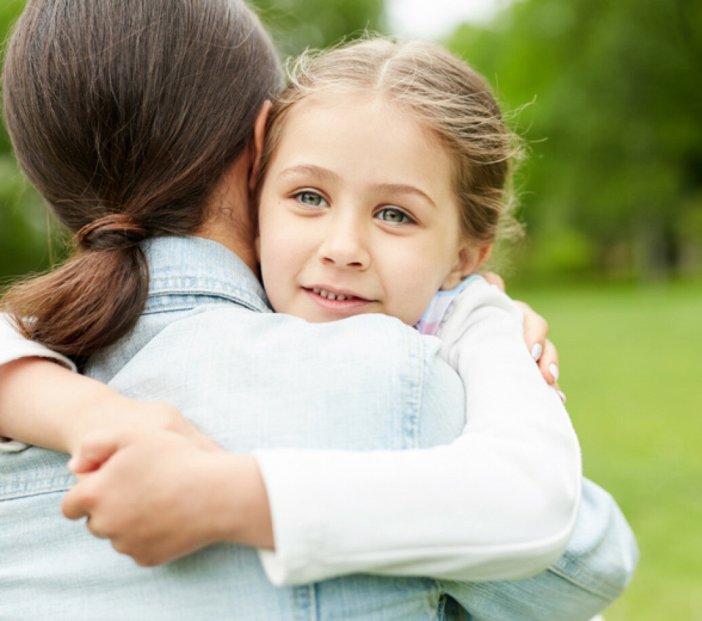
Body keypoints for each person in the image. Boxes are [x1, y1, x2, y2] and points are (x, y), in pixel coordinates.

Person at [0, 2, 637, 620]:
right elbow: (587, 560)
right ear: (260, 148)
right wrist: (485, 325)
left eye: (395, 214)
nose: (343, 248)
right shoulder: (406, 386)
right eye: (310, 196)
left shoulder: (38, 370)